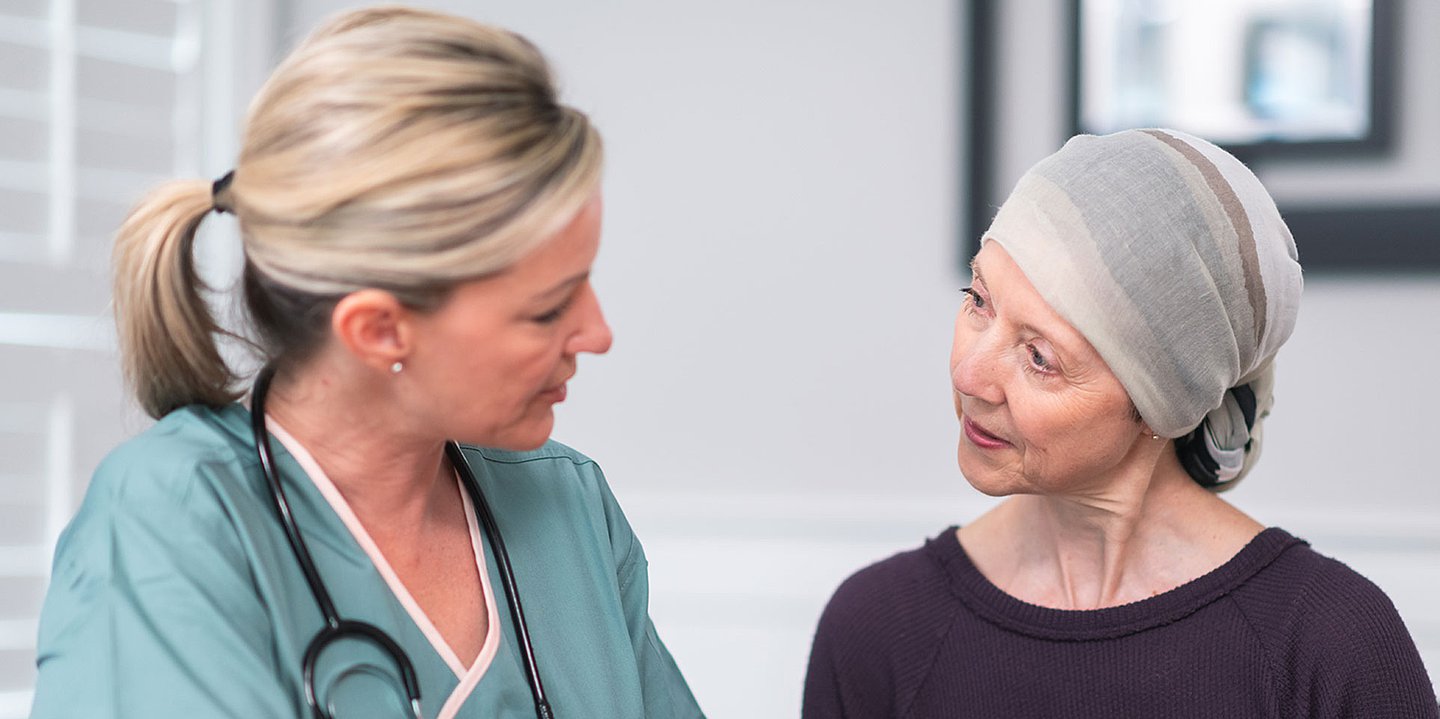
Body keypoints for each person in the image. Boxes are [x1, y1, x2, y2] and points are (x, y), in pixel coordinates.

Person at [32, 7, 705, 719]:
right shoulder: (177, 518)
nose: (597, 333)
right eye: (547, 308)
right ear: (379, 330)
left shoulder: (569, 511)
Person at [803, 129, 1437, 717]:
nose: (969, 375)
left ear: (1163, 403)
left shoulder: (1330, 644)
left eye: (1039, 357)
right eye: (977, 301)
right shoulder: (878, 628)